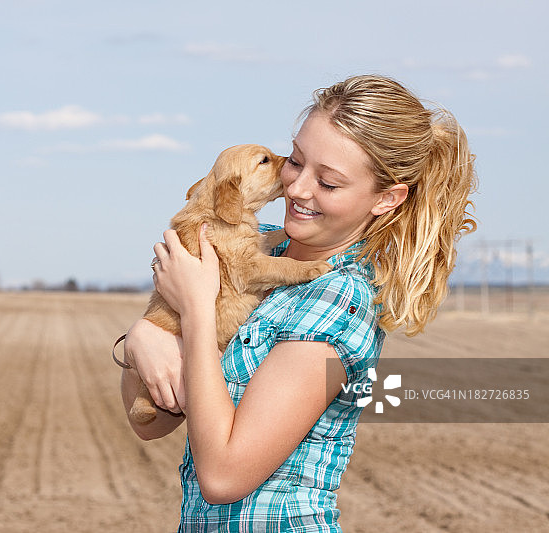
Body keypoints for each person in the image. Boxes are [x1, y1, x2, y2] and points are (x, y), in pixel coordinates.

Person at [118, 74, 477, 531]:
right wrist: (144, 336)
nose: (297, 188)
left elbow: (224, 477)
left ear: (386, 198)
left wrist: (195, 314)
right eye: (297, 161)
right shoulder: (267, 260)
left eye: (327, 182)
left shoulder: (334, 300)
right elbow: (150, 424)